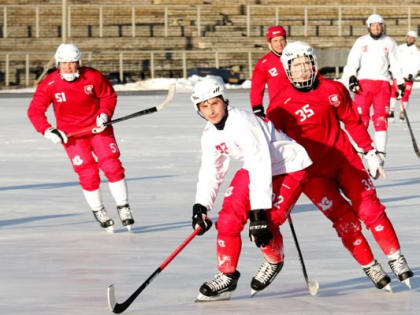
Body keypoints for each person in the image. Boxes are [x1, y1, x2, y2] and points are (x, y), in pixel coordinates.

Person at [267, 41, 413, 292]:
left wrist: (369, 151)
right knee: (344, 221)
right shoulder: (279, 105)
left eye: (306, 63)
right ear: (287, 70)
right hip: (312, 175)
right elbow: (274, 145)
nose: (302, 70)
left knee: (371, 210)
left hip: (345, 162)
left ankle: (395, 257)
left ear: (314, 64)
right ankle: (370, 265)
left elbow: (352, 121)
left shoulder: (334, 89)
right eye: (296, 66)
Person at [190, 77, 312, 301]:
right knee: (227, 219)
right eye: (204, 106)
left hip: (290, 166)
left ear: (224, 101)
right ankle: (226, 276)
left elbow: (260, 164)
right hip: (256, 168)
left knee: (267, 222)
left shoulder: (243, 123)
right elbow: (211, 169)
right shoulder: (209, 134)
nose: (210, 110)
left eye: (214, 103)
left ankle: (274, 260)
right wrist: (201, 205)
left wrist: (258, 213)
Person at [27, 43, 135, 233]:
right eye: (64, 63)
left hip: (98, 130)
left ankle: (123, 206)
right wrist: (48, 130)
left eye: (72, 63)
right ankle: (98, 210)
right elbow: (35, 112)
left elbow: (108, 97)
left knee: (112, 166)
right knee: (88, 174)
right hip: (72, 137)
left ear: (79, 62)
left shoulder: (92, 76)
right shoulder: (49, 84)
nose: (68, 67)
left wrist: (104, 114)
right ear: (57, 64)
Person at [342, 14, 404, 164]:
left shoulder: (389, 42)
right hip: (363, 84)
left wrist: (399, 82)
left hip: (383, 83)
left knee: (381, 118)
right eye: (373, 25)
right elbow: (352, 62)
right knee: (360, 118)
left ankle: (381, 152)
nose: (376, 28)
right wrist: (351, 77)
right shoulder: (361, 42)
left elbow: (395, 64)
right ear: (368, 27)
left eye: (379, 25)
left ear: (382, 26)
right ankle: (359, 150)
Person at [249, 25, 288, 118]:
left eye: (281, 39)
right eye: (275, 40)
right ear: (270, 42)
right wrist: (257, 108)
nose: (279, 44)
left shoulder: (296, 57)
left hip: (300, 105)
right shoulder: (263, 63)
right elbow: (256, 89)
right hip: (279, 110)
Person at [389, 30, 420, 121]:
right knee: (394, 93)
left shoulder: (417, 51)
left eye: (412, 38)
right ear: (406, 37)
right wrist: (392, 70)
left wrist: (412, 74)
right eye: (409, 37)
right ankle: (391, 112)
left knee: (405, 95)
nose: (410, 39)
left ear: (414, 40)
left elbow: (417, 65)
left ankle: (402, 112)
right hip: (398, 75)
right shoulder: (399, 48)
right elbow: (394, 60)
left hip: (408, 76)